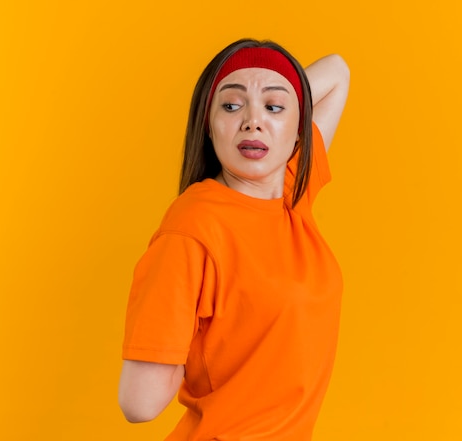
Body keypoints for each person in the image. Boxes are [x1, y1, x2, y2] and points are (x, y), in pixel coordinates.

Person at [118, 38, 350, 440]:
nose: (252, 122)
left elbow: (338, 71)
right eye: (230, 106)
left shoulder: (292, 196)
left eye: (273, 108)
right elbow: (139, 403)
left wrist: (278, 101)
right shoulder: (192, 228)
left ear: (299, 129)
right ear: (207, 125)